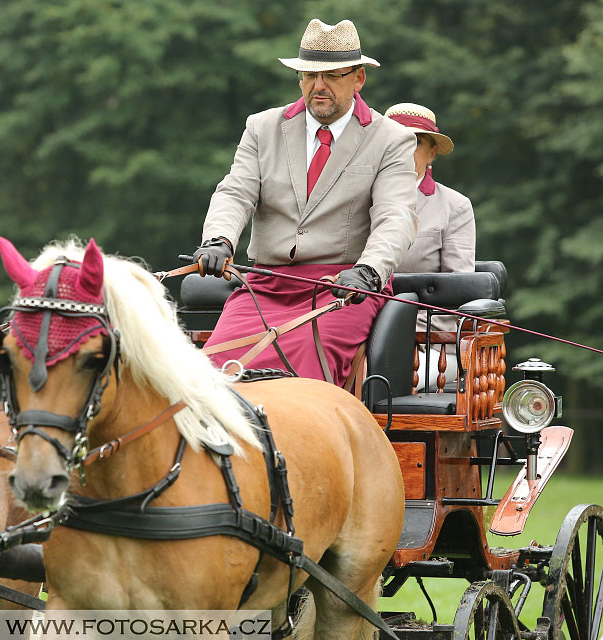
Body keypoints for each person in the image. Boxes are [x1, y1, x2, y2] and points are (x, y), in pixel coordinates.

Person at [191, 18, 418, 387]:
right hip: (265, 287)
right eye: (309, 76)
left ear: (359, 78)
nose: (318, 86)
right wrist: (219, 240)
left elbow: (396, 217)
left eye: (331, 76)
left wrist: (369, 271)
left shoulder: (392, 139)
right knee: (209, 376)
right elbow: (236, 191)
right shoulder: (262, 127)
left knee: (300, 376)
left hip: (344, 291)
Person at [386, 102, 476, 391]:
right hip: (353, 333)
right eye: (395, 141)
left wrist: (403, 338)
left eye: (415, 142)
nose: (403, 150)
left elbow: (457, 294)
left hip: (428, 347)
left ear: (432, 151)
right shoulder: (354, 200)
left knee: (379, 386)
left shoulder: (455, 207)